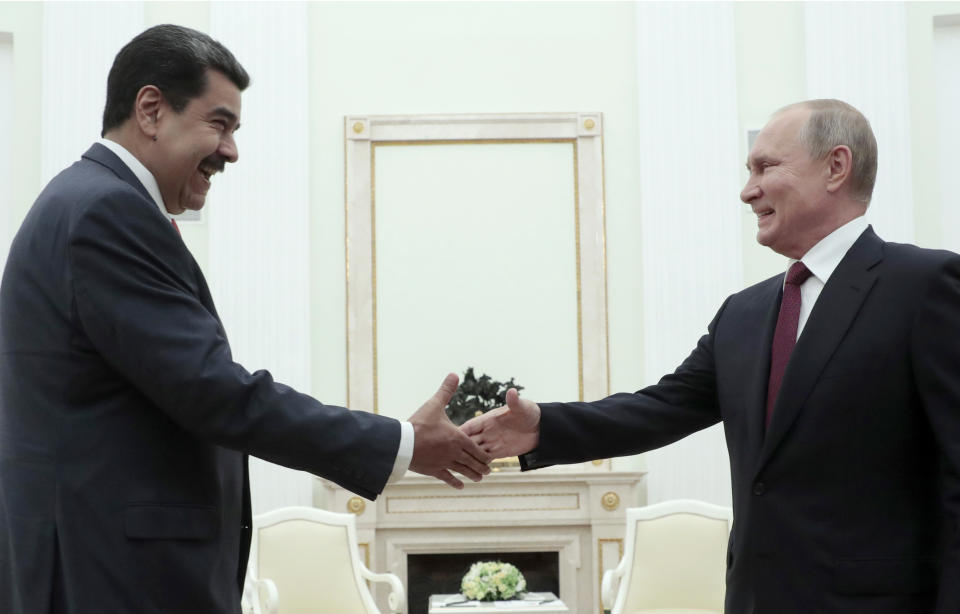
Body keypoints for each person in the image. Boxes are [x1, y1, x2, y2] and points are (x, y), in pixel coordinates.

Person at [0, 24, 490, 613]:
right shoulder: (107, 212)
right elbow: (216, 394)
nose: (231, 151)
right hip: (114, 575)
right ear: (151, 110)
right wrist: (402, 444)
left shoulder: (83, 201)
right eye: (220, 124)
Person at [463, 99, 960, 614]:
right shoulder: (743, 313)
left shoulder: (925, 287)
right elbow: (659, 409)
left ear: (836, 167)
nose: (748, 191)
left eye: (765, 166)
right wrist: (543, 426)